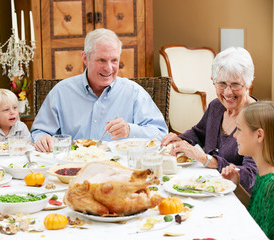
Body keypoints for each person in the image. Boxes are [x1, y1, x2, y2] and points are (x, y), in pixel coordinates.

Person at [31, 28, 168, 152]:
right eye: (101, 60)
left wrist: (130, 130)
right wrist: (42, 138)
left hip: (120, 170)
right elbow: (39, 131)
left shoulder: (134, 93)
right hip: (72, 168)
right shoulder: (61, 92)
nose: (108, 68)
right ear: (85, 58)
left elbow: (161, 134)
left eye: (114, 60)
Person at [161, 47, 257, 193]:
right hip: (209, 186)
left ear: (248, 83)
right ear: (213, 81)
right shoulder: (216, 107)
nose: (227, 92)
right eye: (222, 84)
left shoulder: (257, 118)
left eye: (235, 84)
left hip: (239, 198)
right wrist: (179, 140)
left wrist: (207, 160)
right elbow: (198, 132)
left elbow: (250, 176)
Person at [222, 101, 274, 239]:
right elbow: (257, 212)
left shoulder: (272, 184)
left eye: (238, 129)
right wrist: (236, 187)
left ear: (259, 135)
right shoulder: (263, 173)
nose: (234, 136)